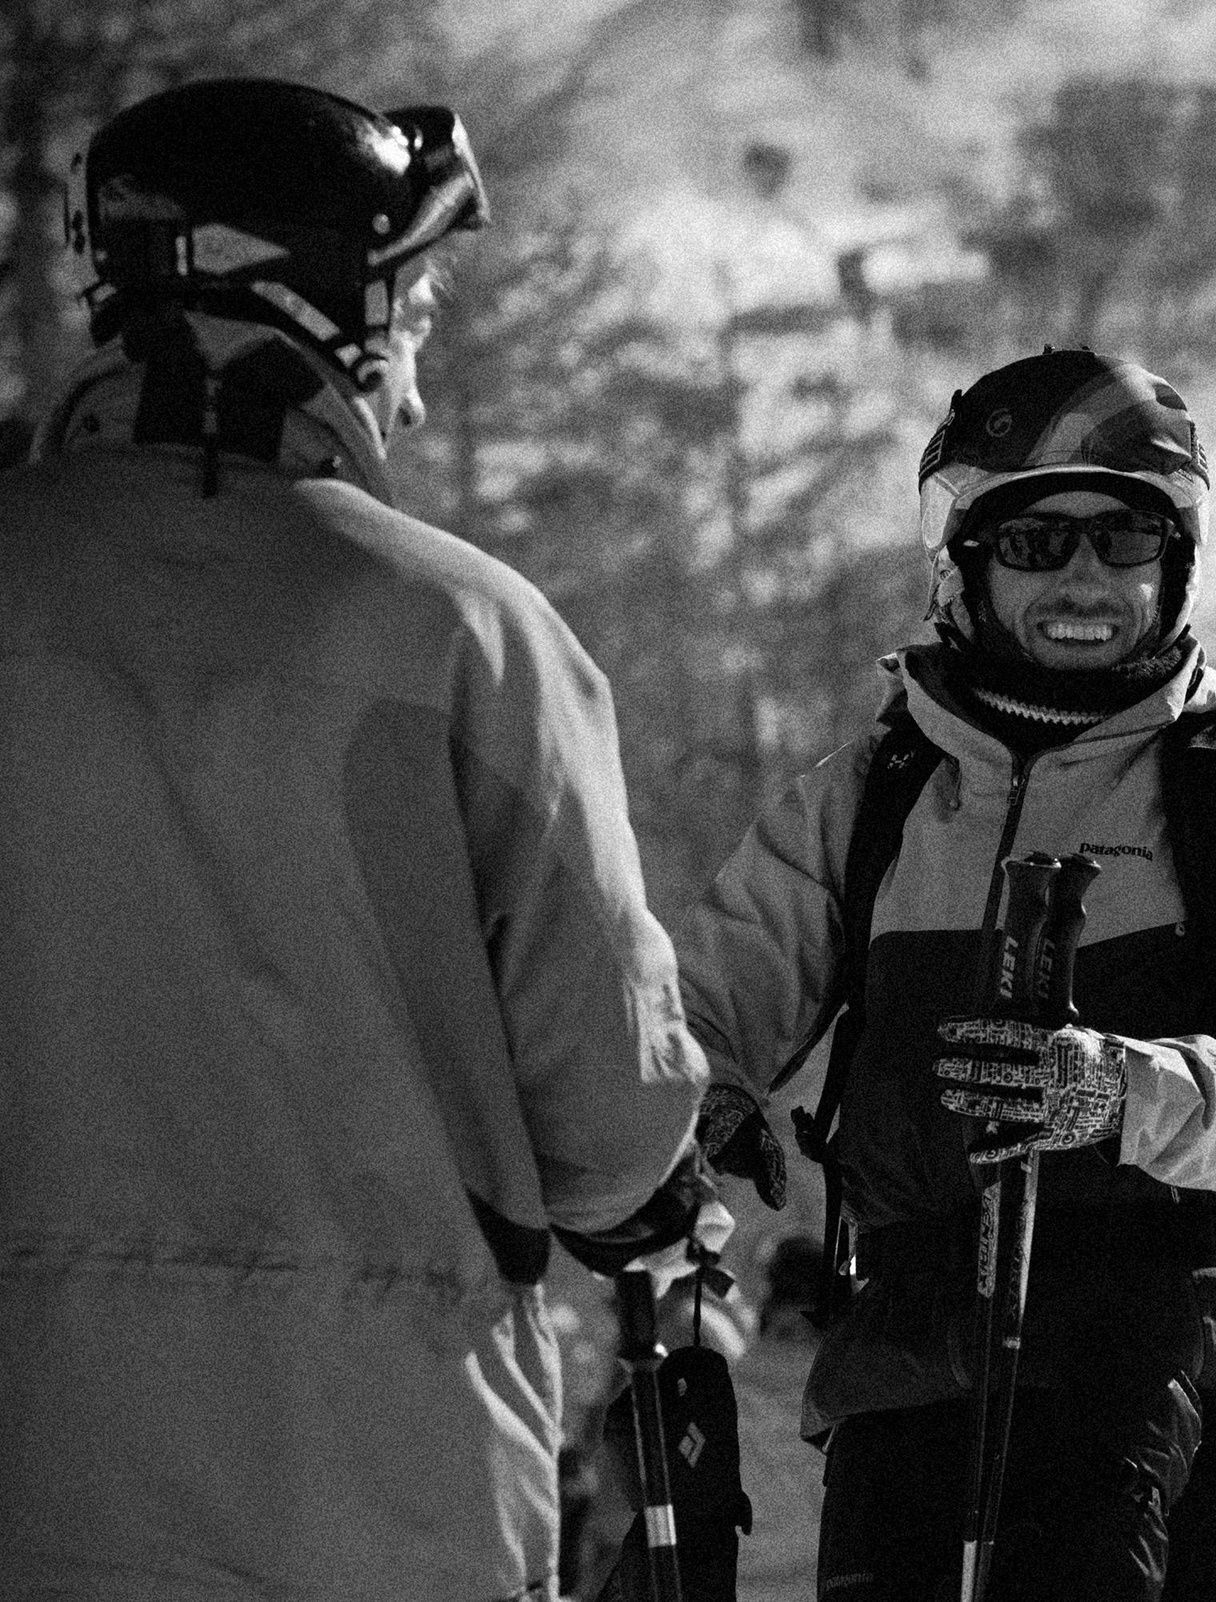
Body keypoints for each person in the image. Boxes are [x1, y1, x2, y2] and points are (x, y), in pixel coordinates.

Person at [0, 78, 712, 1600]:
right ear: (323, 300)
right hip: (386, 1486)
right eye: (415, 305)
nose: (417, 381)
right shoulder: (468, 638)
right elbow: (612, 1125)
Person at [677, 346, 1216, 1600]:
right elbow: (699, 1009)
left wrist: (1122, 1096)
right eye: (1036, 544)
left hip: (1168, 1382)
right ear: (962, 561)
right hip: (906, 1378)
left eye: (1125, 541)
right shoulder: (873, 800)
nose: (1085, 579)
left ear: (1175, 561)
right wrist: (697, 1100)